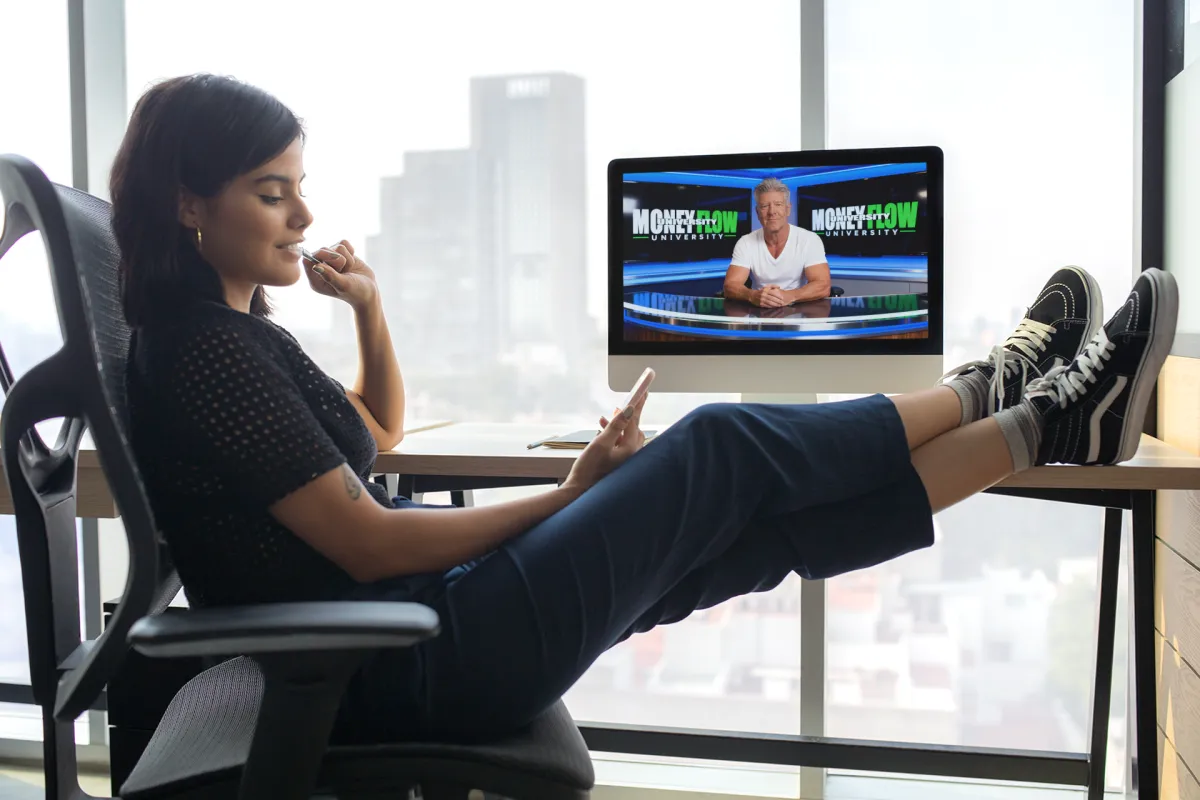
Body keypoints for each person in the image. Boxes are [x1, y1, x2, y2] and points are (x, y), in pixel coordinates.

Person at [112, 74, 1178, 746]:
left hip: (417, 625)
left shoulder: (238, 338)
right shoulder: (202, 353)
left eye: (300, 185)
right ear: (187, 202)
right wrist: (571, 489)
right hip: (402, 661)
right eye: (271, 191)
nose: (304, 213)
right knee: (718, 444)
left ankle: (1042, 425)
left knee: (747, 535)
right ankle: (990, 387)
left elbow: (374, 434)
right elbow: (374, 540)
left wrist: (373, 307)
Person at [722, 177, 831, 308]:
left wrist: (789, 296)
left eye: (778, 204)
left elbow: (823, 285)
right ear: (757, 212)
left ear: (788, 209)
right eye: (764, 206)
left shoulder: (809, 239)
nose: (771, 211)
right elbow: (730, 285)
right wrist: (752, 295)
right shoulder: (745, 242)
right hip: (758, 313)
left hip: (797, 311)